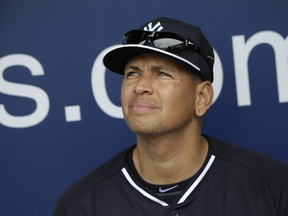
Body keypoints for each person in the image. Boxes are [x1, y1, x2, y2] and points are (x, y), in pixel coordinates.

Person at [53, 17, 288, 216]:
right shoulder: (81, 205)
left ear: (202, 98)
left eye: (162, 74)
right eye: (132, 73)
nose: (140, 86)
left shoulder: (271, 184)